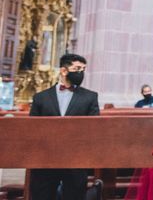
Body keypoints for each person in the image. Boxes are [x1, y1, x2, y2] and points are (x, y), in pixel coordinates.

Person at [29, 53, 99, 200]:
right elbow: (32, 129)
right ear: (64, 71)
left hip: (75, 159)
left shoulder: (90, 97)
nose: (81, 73)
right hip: (45, 159)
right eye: (77, 68)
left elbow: (94, 129)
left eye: (83, 69)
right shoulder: (41, 97)